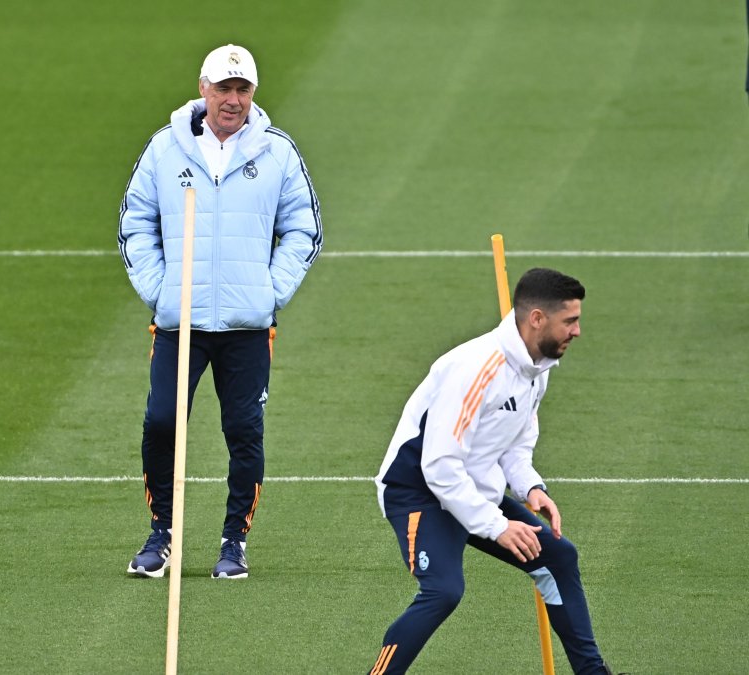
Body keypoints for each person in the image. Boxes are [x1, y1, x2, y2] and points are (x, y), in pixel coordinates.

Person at [118, 44, 323, 579]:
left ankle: (234, 542)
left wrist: (270, 290)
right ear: (204, 89)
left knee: (243, 430)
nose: (233, 100)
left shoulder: (276, 151)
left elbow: (303, 227)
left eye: (243, 89)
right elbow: (135, 221)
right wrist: (160, 289)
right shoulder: (166, 148)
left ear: (253, 93)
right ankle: (161, 533)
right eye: (224, 89)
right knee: (162, 422)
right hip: (177, 321)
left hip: (246, 326)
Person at [369, 268, 621, 675]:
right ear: (537, 318)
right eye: (570, 321)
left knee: (558, 557)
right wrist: (496, 525)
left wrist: (530, 486)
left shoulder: (537, 368)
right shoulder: (475, 368)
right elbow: (439, 466)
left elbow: (515, 445)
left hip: (471, 490)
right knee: (443, 591)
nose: (578, 331)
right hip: (418, 491)